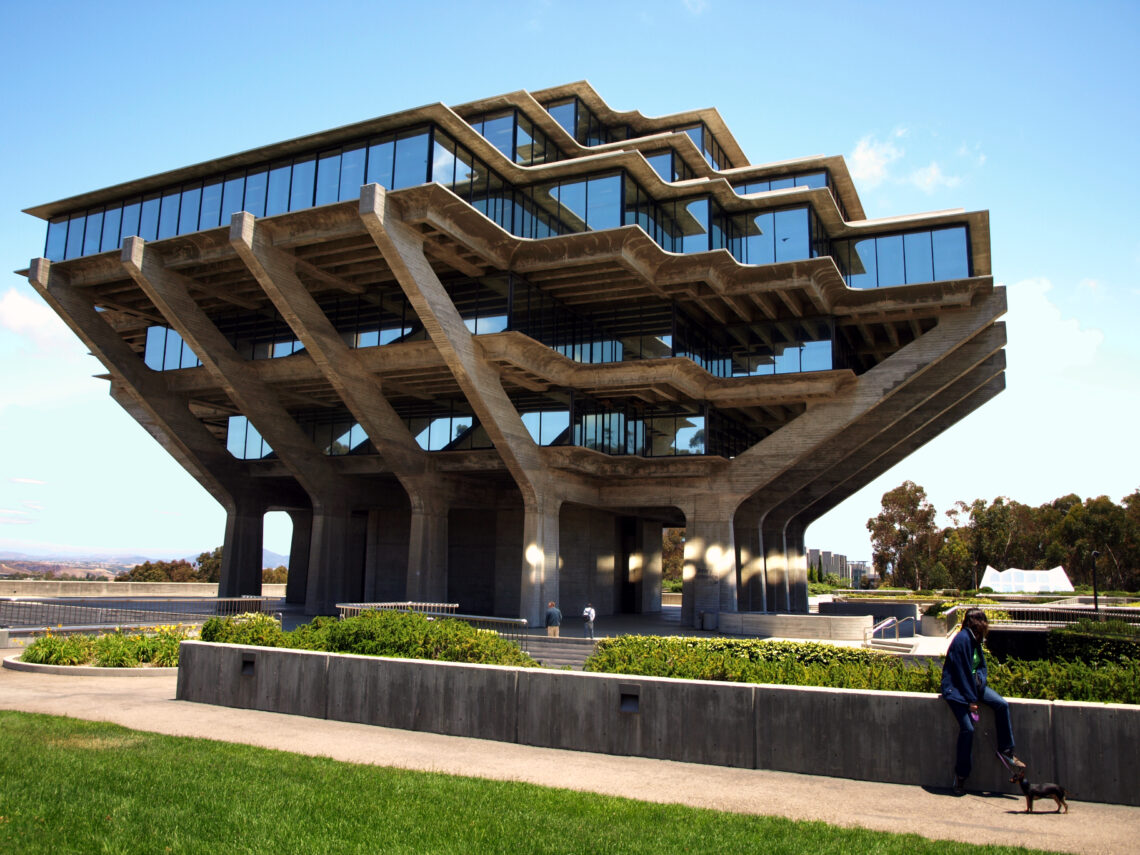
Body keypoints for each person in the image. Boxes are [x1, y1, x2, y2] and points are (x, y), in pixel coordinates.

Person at [941, 607, 1025, 795]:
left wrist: (981, 679)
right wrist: (971, 700)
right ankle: (961, 777)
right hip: (956, 691)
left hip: (973, 687)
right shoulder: (962, 640)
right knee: (968, 729)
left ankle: (1006, 750)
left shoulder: (975, 639)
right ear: (977, 623)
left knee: (1001, 705)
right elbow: (961, 674)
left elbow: (981, 666)